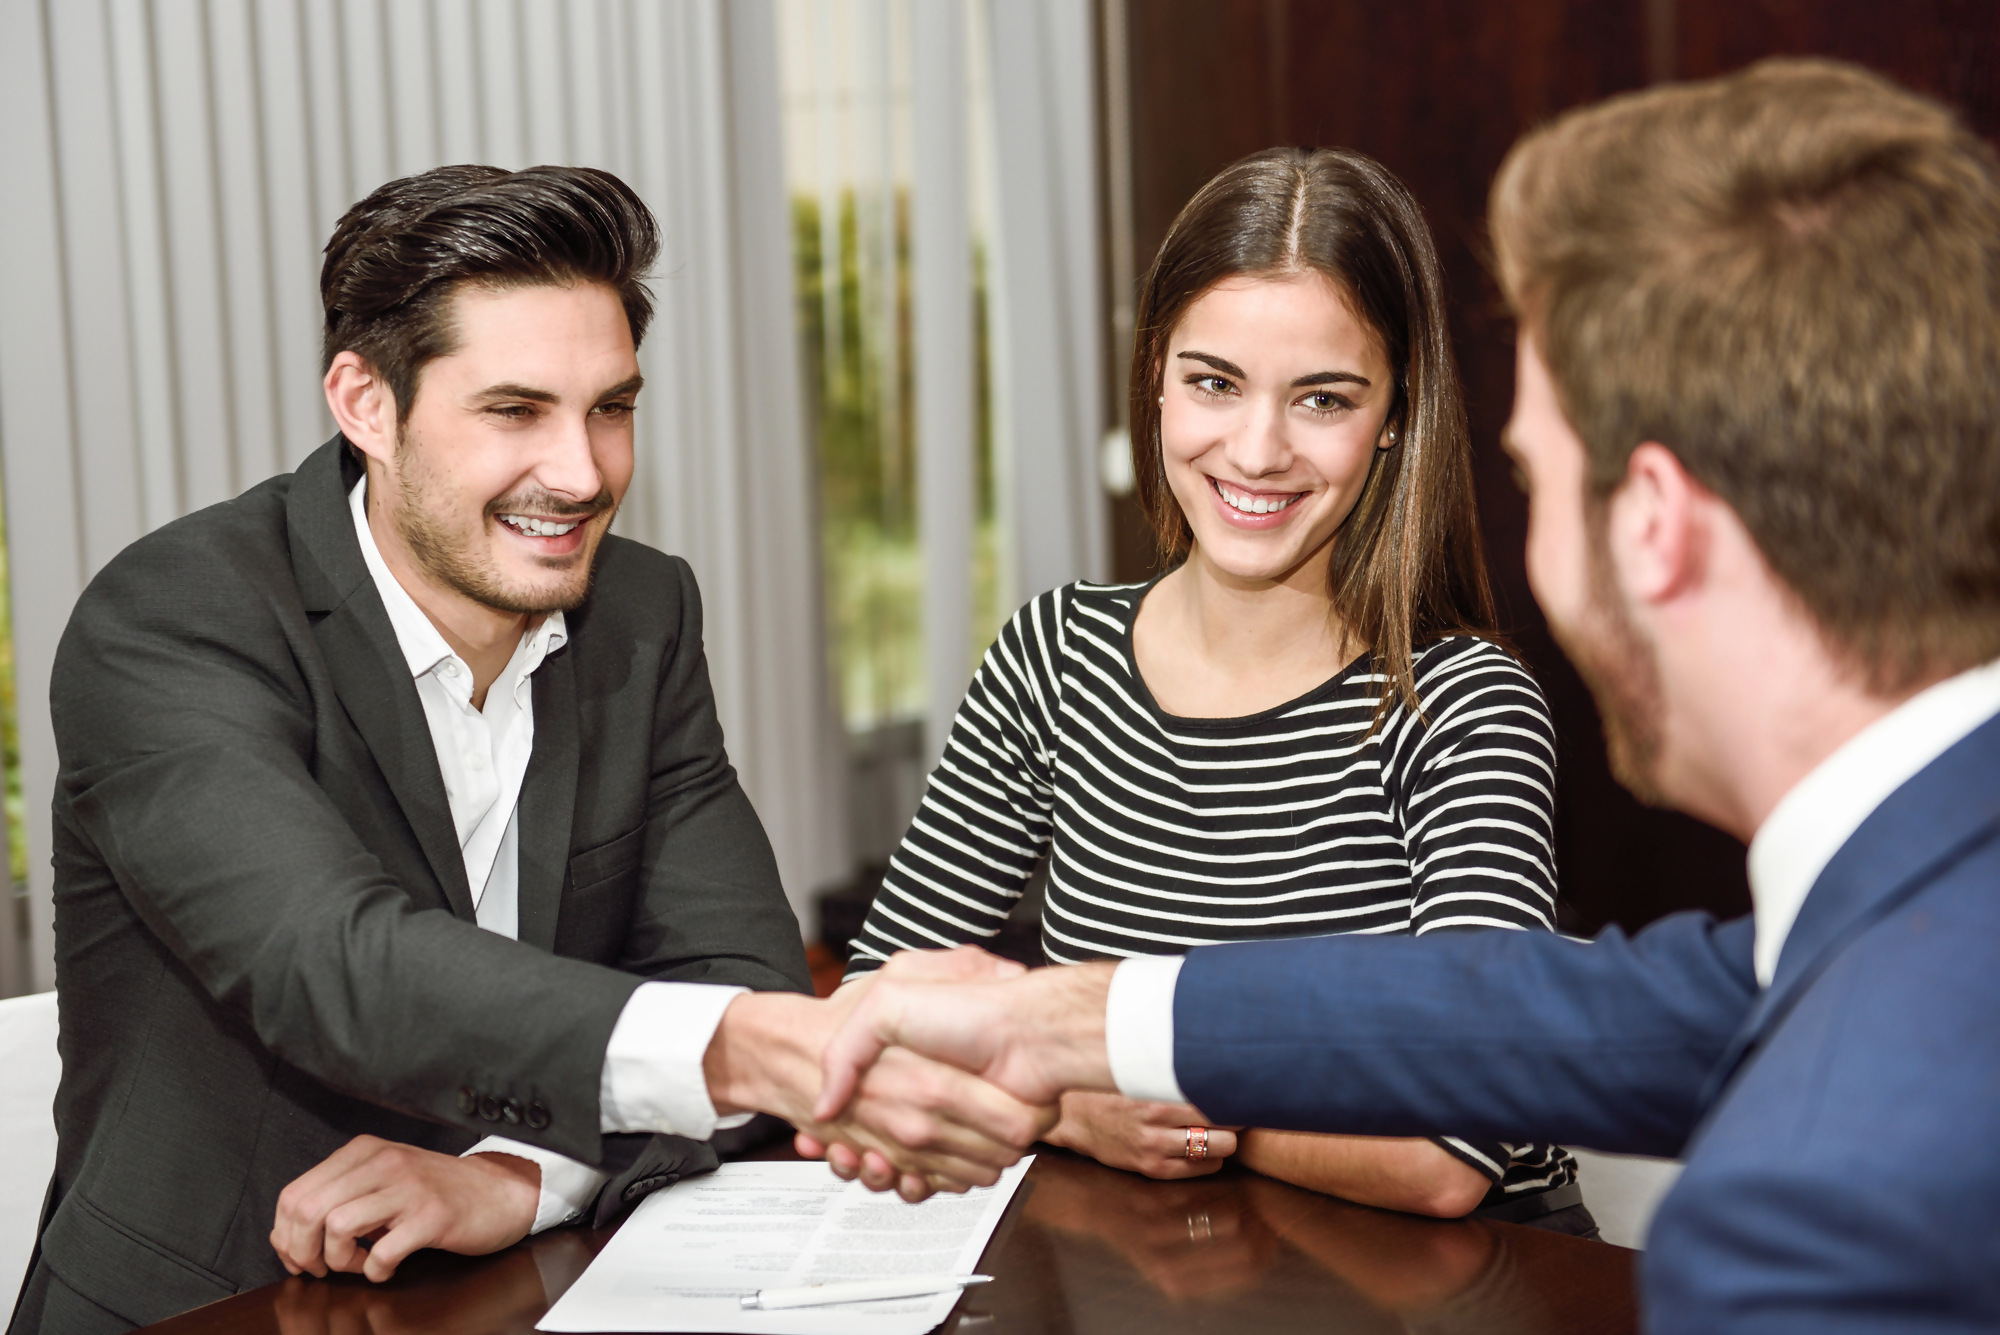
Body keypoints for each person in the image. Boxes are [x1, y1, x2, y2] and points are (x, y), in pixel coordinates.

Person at [816, 58, 2000, 1333]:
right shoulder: (1885, 915)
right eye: (1213, 381)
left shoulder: (1812, 1221)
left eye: (1531, 476)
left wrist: (1094, 1070)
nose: (1258, 445)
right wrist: (1084, 1040)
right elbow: (1588, 1014)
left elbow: (1480, 1116)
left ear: (1649, 524)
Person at [9, 166, 1045, 1335]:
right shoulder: (173, 617)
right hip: (216, 1299)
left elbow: (731, 975)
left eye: (611, 407)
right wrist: (757, 1047)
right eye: (515, 412)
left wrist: (521, 1174)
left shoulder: (641, 617)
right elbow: (328, 963)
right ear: (365, 403)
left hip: (523, 1287)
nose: (583, 473)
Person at [840, 146, 1587, 1231]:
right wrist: (1072, 1109)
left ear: (1392, 413)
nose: (1255, 449)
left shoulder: (1463, 708)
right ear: (1153, 374)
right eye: (1213, 383)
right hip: (1154, 1279)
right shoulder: (1051, 658)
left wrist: (1172, 1090)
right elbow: (874, 1010)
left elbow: (1447, 1151)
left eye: (1320, 398)